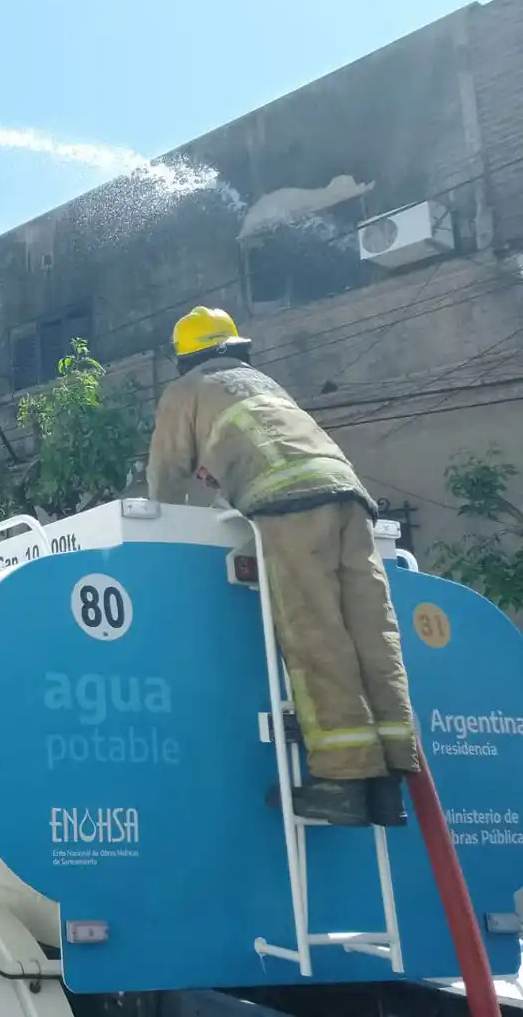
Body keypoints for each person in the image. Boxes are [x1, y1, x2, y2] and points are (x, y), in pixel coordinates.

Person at [146, 306, 419, 828]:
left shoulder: (188, 390)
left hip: (289, 508)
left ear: (188, 357)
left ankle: (342, 782)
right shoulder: (261, 383)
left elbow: (166, 478)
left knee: (316, 634)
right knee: (372, 634)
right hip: (349, 498)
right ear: (235, 347)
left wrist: (169, 533)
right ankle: (386, 783)